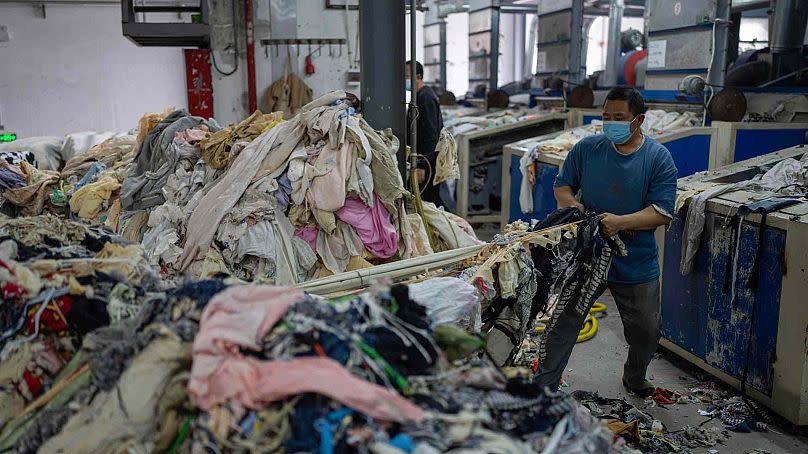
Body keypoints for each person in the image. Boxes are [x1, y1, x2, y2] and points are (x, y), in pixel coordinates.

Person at [534, 87, 677, 397]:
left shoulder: (657, 158)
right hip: (589, 254)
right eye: (606, 117)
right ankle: (544, 387)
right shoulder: (587, 149)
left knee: (646, 332)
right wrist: (573, 206)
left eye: (619, 118)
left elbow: (662, 212)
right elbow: (562, 185)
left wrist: (620, 223)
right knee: (564, 323)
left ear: (638, 120)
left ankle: (635, 378)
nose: (611, 123)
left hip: (636, 259)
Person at [406, 60, 444, 207]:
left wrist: (422, 165)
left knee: (429, 203)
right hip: (421, 159)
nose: (405, 80)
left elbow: (430, 135)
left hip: (427, 162)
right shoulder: (417, 97)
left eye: (408, 76)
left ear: (419, 76)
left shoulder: (426, 98)